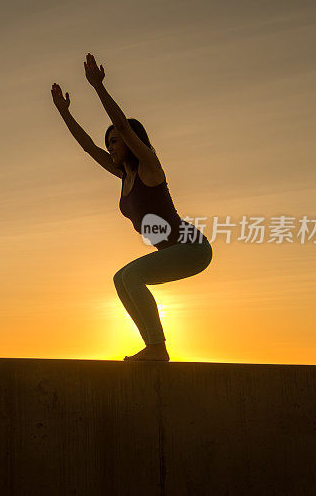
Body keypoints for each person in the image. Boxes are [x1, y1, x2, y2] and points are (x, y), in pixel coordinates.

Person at [50, 53, 212, 362]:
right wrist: (62, 112)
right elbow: (87, 147)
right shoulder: (124, 176)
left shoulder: (150, 167)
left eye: (116, 141)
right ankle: (153, 346)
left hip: (192, 247)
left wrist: (98, 87)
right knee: (121, 279)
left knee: (133, 276)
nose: (111, 145)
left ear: (131, 142)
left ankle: (157, 349)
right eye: (108, 141)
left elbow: (123, 126)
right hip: (171, 250)